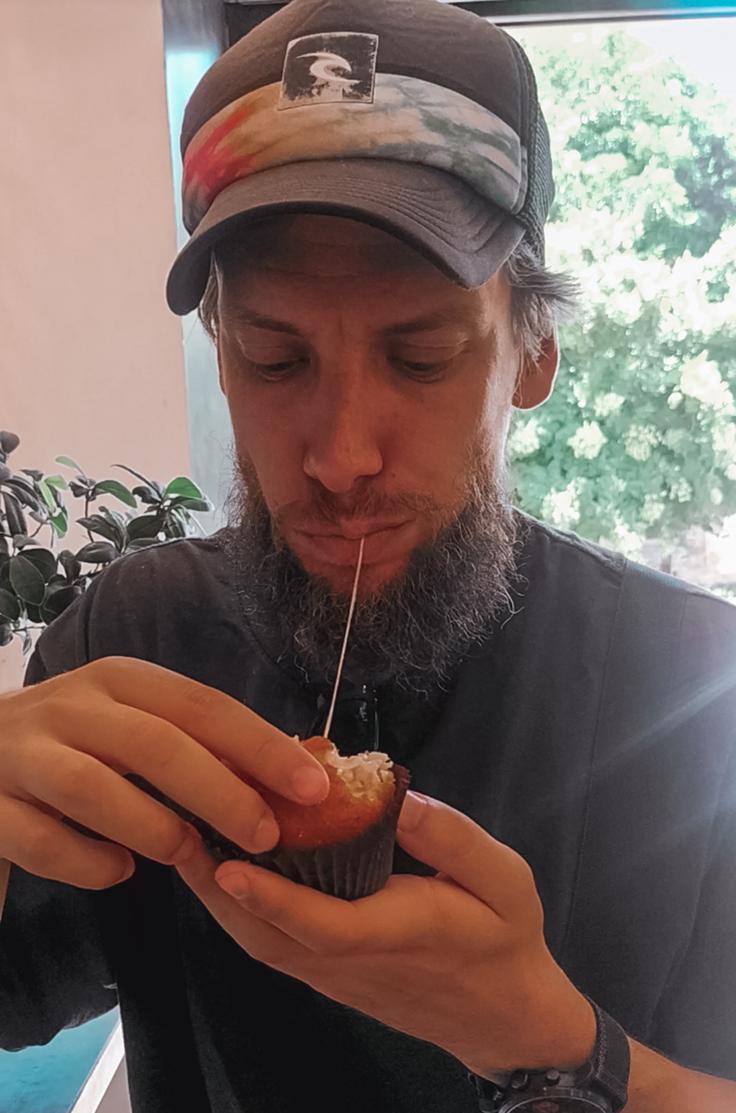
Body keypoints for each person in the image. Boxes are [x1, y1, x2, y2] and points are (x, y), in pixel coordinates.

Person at [1, 1, 735, 1110]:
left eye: (423, 355)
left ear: (531, 353)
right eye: (275, 358)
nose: (341, 457)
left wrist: (558, 1045)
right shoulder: (130, 643)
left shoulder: (699, 692)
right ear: (217, 349)